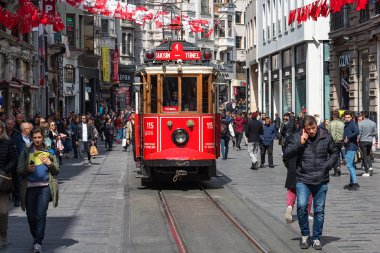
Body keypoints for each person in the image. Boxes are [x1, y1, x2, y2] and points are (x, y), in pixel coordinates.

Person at [283, 115, 338, 250]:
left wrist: (327, 165)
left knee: (319, 210)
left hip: (321, 179)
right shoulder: (297, 137)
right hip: (303, 178)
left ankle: (317, 238)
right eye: (309, 129)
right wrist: (300, 143)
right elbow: (286, 154)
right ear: (304, 129)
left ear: (316, 124)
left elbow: (335, 153)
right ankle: (305, 236)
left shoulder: (326, 136)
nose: (312, 131)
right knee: (302, 207)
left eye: (314, 128)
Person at [17, 127, 59, 253]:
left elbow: (56, 170)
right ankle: (36, 235)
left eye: (39, 137)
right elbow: (19, 170)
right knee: (30, 216)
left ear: (43, 138)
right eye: (35, 137)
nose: (37, 140)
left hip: (45, 187)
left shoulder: (49, 151)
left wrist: (49, 163)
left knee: (40, 215)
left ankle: (38, 242)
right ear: (32, 138)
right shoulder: (26, 151)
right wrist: (27, 169)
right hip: (29, 188)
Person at [0, 123, 17, 248]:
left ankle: (3, 233)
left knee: (4, 211)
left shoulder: (8, 142)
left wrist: (6, 170)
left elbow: (14, 159)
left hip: (3, 181)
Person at [343, 111, 360, 190]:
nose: (347, 119)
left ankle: (355, 182)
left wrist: (348, 138)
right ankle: (351, 182)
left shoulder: (352, 123)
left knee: (349, 165)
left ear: (351, 117)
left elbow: (357, 131)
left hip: (351, 146)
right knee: (352, 165)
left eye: (348, 117)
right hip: (349, 146)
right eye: (346, 117)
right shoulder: (347, 123)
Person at [358, 111, 377, 177]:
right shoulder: (373, 123)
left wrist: (357, 139)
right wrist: (370, 134)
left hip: (363, 140)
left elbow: (359, 133)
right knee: (368, 154)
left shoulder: (360, 123)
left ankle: (366, 171)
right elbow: (375, 133)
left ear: (363, 116)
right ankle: (370, 167)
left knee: (364, 156)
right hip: (370, 141)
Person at [327, 111, 345, 176]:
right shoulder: (342, 123)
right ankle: (338, 167)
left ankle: (336, 171)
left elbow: (327, 132)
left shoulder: (330, 123)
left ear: (333, 116)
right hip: (340, 141)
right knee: (338, 155)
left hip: (333, 141)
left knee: (334, 155)